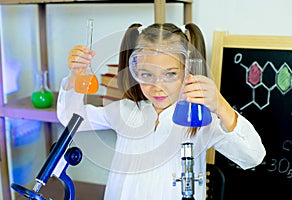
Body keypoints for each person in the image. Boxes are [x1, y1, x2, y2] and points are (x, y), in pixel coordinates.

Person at [57, 23, 266, 200]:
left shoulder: (201, 119)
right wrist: (76, 76)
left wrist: (221, 105)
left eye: (170, 74)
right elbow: (72, 119)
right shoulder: (126, 110)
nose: (158, 86)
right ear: (134, 72)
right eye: (146, 74)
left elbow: (252, 157)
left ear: (187, 70)